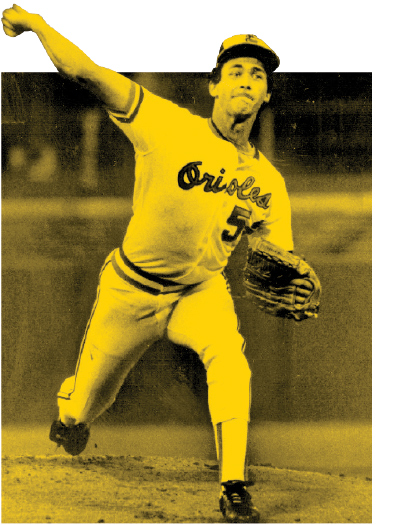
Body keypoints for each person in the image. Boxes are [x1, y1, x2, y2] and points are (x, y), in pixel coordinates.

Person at [2, 5, 294, 522]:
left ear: (267, 94)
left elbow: (279, 257)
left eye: (258, 74)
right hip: (129, 291)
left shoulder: (270, 183)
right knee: (83, 407)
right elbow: (87, 74)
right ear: (214, 86)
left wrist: (287, 271)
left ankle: (233, 486)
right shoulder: (166, 125)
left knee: (230, 357)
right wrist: (39, 26)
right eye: (236, 71)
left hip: (200, 292)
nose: (247, 80)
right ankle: (71, 414)